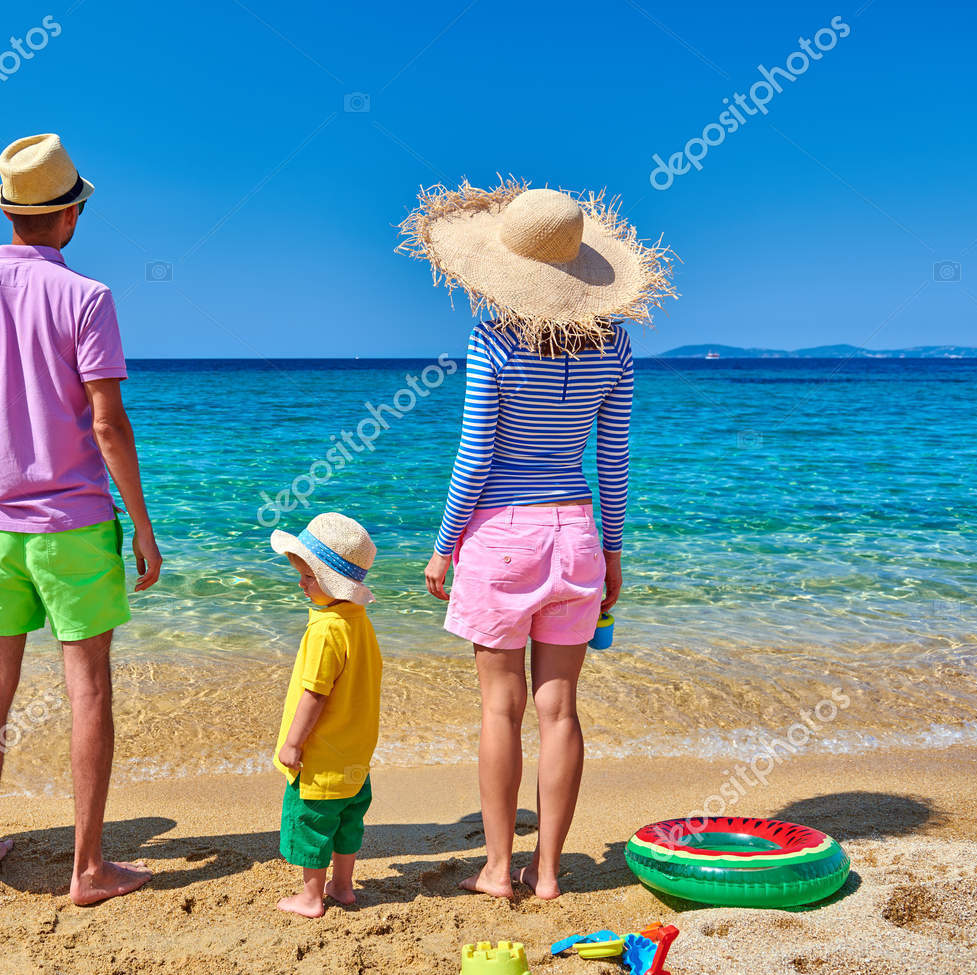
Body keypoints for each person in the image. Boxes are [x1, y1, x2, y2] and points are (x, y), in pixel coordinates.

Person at [398, 180, 674, 899]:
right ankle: (548, 871)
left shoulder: (492, 336)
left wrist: (442, 543)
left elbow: (476, 455)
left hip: (502, 539)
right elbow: (611, 458)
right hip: (577, 534)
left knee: (501, 708)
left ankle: (498, 867)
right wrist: (613, 551)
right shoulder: (617, 344)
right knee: (560, 710)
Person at [0, 133, 162, 903]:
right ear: (68, 216)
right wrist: (144, 527)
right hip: (75, 526)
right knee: (88, 689)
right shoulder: (87, 298)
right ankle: (88, 867)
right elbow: (107, 425)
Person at [267, 513, 383, 918]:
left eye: (309, 576)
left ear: (333, 582)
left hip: (320, 756)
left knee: (311, 823)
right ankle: (343, 886)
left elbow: (315, 693)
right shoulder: (358, 622)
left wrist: (293, 744)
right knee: (348, 822)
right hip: (355, 753)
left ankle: (311, 896)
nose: (301, 582)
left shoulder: (326, 630)